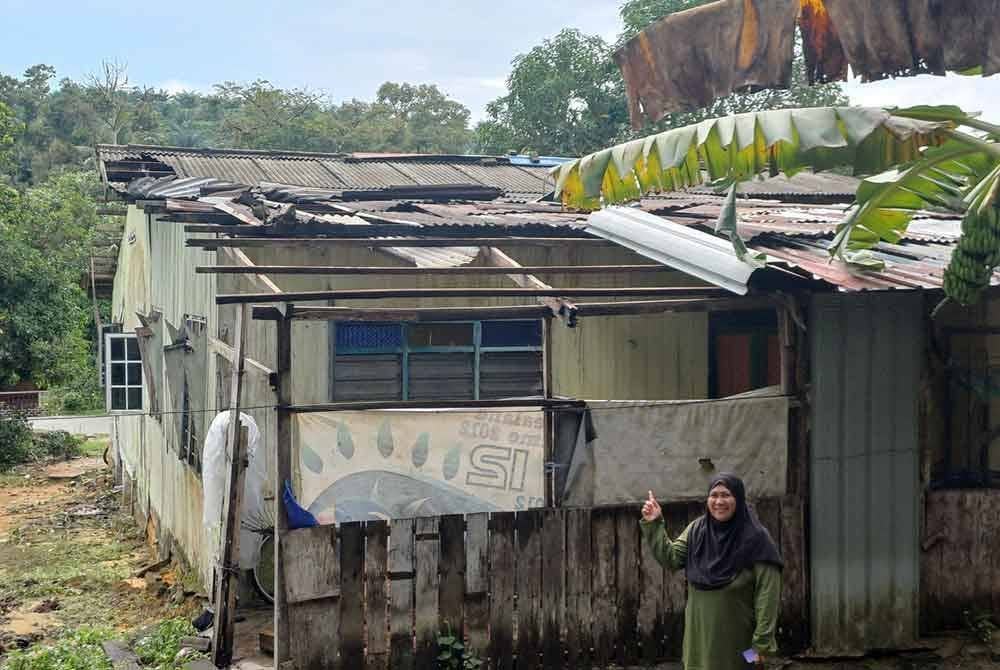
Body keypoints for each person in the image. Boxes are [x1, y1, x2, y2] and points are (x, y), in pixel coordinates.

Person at [640, 473, 782, 670]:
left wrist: (760, 648)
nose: (719, 501)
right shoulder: (697, 530)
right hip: (698, 640)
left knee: (745, 666)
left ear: (738, 499)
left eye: (726, 495)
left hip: (739, 643)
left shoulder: (757, 539)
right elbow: (671, 558)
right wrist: (655, 524)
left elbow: (768, 597)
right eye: (713, 495)